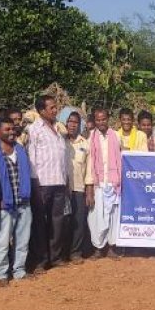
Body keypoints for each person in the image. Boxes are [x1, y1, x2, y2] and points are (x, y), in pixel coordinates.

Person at [26, 95, 69, 272]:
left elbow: (63, 159)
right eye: (51, 107)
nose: (54, 110)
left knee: (57, 223)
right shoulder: (34, 129)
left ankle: (55, 257)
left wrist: (65, 181)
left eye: (55, 107)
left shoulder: (58, 129)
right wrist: (34, 185)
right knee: (40, 223)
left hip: (59, 182)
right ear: (41, 111)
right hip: (42, 184)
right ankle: (40, 260)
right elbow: (31, 159)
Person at [0, 116, 33, 286]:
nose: (11, 132)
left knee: (22, 240)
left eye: (12, 129)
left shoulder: (20, 150)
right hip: (4, 204)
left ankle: (19, 271)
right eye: (6, 129)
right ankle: (1, 274)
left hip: (23, 201)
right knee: (2, 241)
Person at [85, 108, 123, 259]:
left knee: (113, 216)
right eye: (98, 120)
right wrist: (89, 188)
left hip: (113, 183)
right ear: (94, 121)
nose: (101, 122)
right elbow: (89, 164)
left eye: (103, 119)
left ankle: (111, 247)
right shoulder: (90, 139)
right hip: (98, 184)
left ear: (108, 119)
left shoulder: (116, 136)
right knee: (96, 217)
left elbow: (122, 158)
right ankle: (98, 248)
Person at [65, 112, 90, 264]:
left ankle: (75, 252)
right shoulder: (59, 141)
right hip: (62, 189)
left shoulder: (85, 144)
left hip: (79, 188)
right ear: (65, 123)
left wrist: (89, 189)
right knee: (62, 222)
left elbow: (89, 169)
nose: (73, 125)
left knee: (79, 222)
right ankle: (61, 253)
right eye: (70, 121)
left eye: (76, 122)